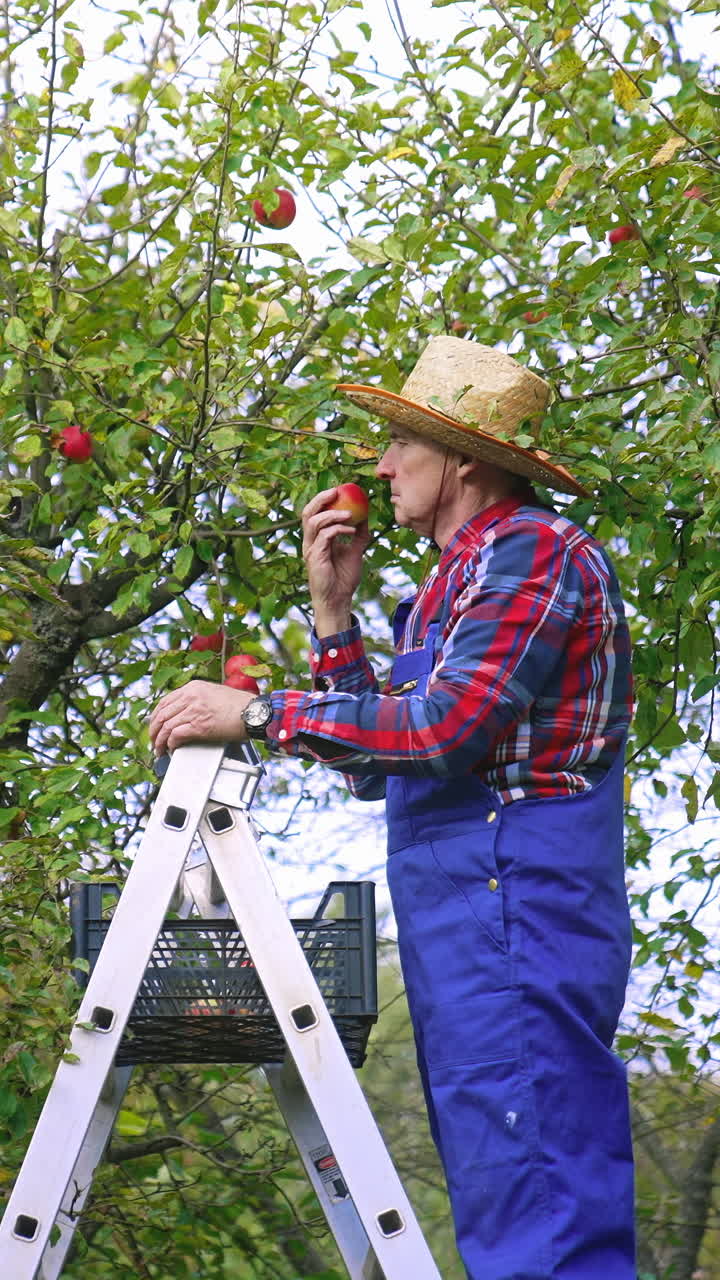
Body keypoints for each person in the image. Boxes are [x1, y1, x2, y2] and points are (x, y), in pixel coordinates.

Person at [149, 336, 636, 1279]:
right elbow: (389, 770)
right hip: (466, 916)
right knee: (507, 1180)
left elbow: (446, 730)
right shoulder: (441, 592)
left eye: (397, 445)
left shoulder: (533, 553)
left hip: (519, 902)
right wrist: (334, 616)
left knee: (540, 1194)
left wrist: (254, 711)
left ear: (461, 460)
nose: (377, 466)